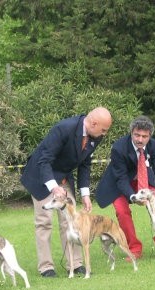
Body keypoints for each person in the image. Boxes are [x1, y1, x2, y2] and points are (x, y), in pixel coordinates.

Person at [21, 107, 113, 278]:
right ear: (93, 123)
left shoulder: (95, 135)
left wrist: (85, 194)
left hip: (63, 176)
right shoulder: (64, 128)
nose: (104, 134)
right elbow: (44, 159)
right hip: (41, 175)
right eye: (104, 130)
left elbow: (85, 164)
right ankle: (46, 267)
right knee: (44, 222)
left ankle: (76, 264)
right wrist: (53, 187)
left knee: (71, 221)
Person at [95, 115, 155, 259]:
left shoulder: (154, 145)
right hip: (119, 183)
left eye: (144, 136)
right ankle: (134, 249)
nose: (140, 139)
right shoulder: (118, 147)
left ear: (150, 136)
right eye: (137, 135)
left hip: (143, 180)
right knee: (122, 211)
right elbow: (121, 178)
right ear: (131, 132)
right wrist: (133, 197)